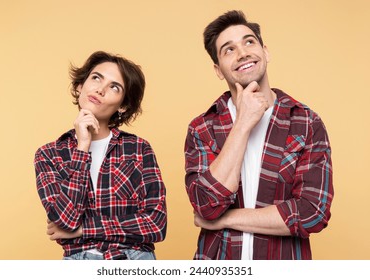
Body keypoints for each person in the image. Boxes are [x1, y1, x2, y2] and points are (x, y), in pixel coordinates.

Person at [184, 10, 333, 260]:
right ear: (218, 69)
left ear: (266, 51)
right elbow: (206, 205)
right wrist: (242, 123)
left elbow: (312, 213)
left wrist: (226, 219)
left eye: (249, 41)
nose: (242, 53)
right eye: (228, 50)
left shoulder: (306, 122)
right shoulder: (202, 128)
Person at [34, 51, 167, 260]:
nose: (100, 89)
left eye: (114, 87)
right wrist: (83, 147)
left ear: (123, 105)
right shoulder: (49, 154)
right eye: (96, 78)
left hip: (133, 260)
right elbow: (64, 221)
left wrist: (84, 230)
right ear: (80, 86)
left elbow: (156, 224)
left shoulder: (138, 149)